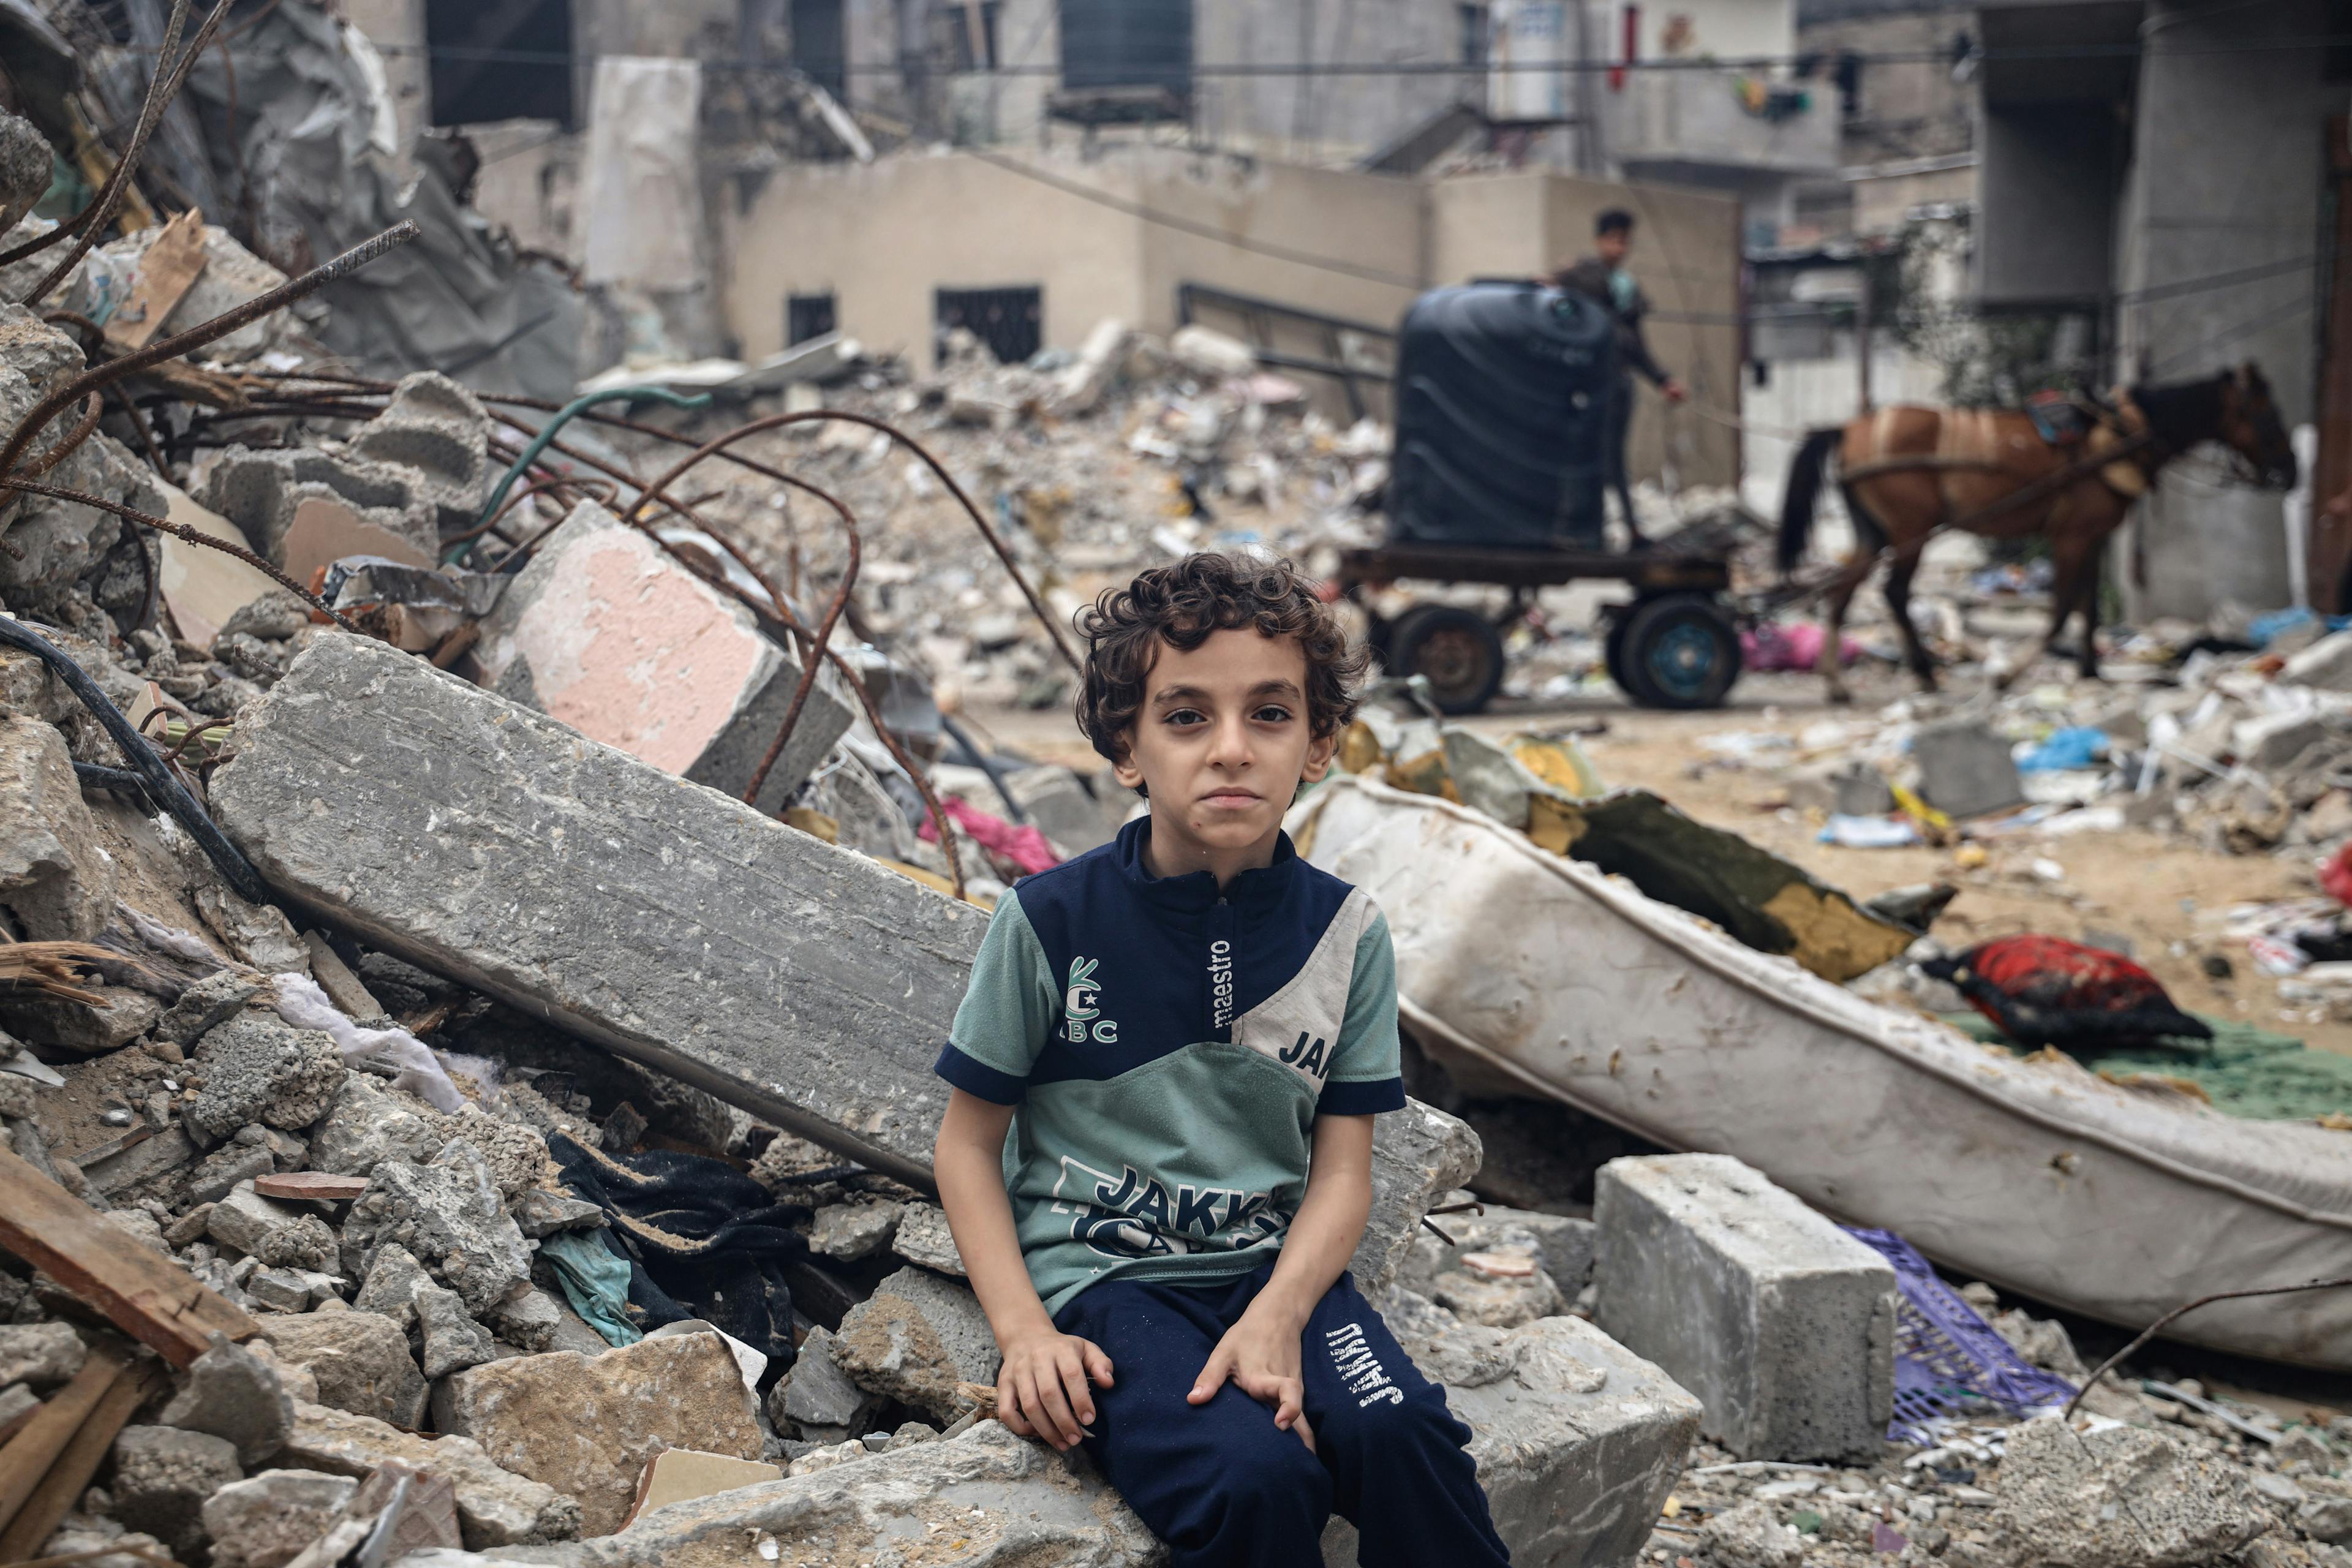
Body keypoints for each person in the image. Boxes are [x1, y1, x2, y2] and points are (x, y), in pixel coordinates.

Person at [931, 554, 1513, 1568]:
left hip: (1272, 1271)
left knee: (1401, 1435)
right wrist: (1027, 1333)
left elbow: (1342, 1173)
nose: (1231, 750)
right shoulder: (1050, 920)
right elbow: (968, 1146)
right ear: (1128, 746)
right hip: (1112, 1285)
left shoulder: (1346, 933)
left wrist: (1280, 1316)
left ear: (1321, 742)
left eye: (1271, 715)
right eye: (1188, 716)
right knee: (1258, 1480)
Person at [1553, 208, 1687, 546]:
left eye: (1625, 241)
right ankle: (1591, 530)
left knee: (1613, 458)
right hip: (1589, 386)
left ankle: (1626, 529)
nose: (1620, 248)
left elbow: (1636, 344)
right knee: (1590, 459)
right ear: (1600, 241)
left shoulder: (1627, 288)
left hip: (1618, 384)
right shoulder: (1583, 277)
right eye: (1614, 240)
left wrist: (1662, 380)